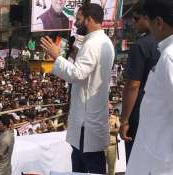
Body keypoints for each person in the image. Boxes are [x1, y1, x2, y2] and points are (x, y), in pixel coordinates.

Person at [40, 3, 115, 174]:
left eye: (79, 20)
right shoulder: (103, 41)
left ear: (89, 20)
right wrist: (73, 55)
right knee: (88, 163)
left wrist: (57, 56)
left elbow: (77, 74)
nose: (76, 24)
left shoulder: (93, 44)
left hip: (86, 122)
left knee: (89, 166)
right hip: (90, 117)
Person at [126, 0, 173, 174]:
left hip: (159, 159)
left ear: (159, 22)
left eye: (149, 20)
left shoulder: (169, 58)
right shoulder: (165, 53)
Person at [119, 2, 160, 163]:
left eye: (135, 18)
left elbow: (133, 86)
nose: (133, 23)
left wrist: (124, 120)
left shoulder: (141, 46)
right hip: (162, 113)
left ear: (147, 17)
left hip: (140, 114)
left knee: (137, 162)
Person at [106, 108, 120, 175]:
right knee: (99, 167)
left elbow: (118, 130)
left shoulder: (115, 118)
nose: (110, 110)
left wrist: (109, 130)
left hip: (112, 145)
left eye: (111, 109)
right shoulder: (100, 116)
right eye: (109, 109)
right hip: (101, 145)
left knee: (111, 167)